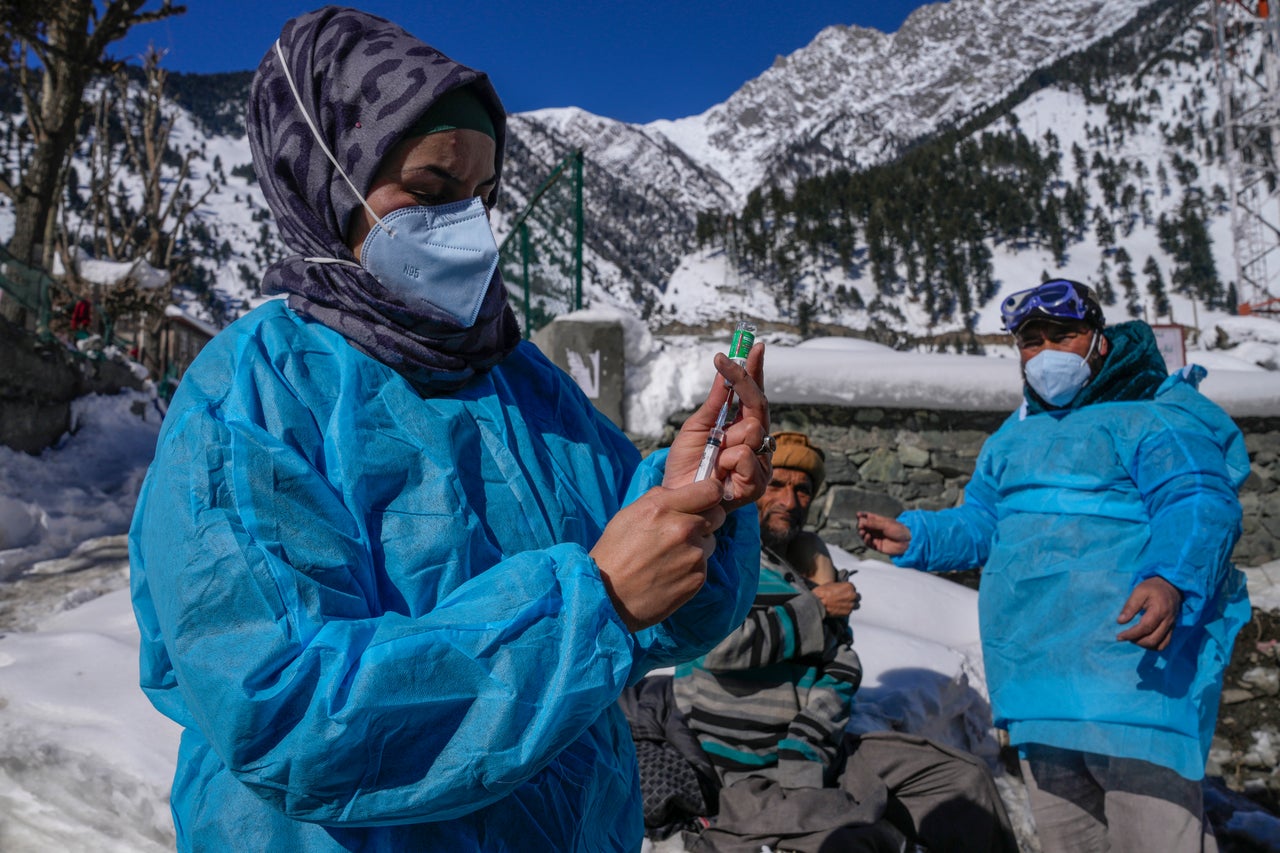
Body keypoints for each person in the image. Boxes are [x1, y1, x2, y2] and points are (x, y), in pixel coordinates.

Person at [128, 7, 772, 851]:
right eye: (431, 193)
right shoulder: (252, 397)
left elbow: (671, 619)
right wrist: (593, 604)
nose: (466, 228)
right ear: (326, 178)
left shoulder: (529, 387)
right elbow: (288, 713)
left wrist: (697, 501)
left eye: (481, 196)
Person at [857, 279, 1251, 853]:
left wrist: (1171, 579)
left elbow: (1197, 501)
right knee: (1071, 843)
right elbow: (985, 523)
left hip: (1132, 674)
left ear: (1099, 340)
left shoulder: (1155, 416)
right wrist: (915, 535)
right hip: (1038, 677)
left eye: (1062, 335)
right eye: (1029, 341)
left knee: (1158, 839)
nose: (1044, 353)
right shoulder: (1014, 436)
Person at [672, 431, 1019, 853]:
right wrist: (816, 610)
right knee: (857, 840)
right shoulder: (722, 560)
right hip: (747, 763)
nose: (790, 500)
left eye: (802, 490)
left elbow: (843, 664)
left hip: (819, 748)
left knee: (965, 781)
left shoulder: (807, 568)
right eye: (776, 485)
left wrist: (808, 745)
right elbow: (719, 650)